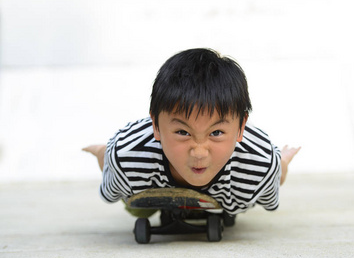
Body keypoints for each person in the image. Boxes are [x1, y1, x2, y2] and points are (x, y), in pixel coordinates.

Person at [83, 48, 300, 216]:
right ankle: (101, 150)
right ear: (156, 126)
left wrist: (280, 165)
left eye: (216, 133)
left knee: (276, 170)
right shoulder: (127, 157)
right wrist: (107, 156)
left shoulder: (260, 164)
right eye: (182, 132)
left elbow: (271, 190)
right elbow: (111, 190)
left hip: (232, 190)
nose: (199, 152)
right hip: (150, 183)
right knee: (137, 207)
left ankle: (281, 158)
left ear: (241, 127)